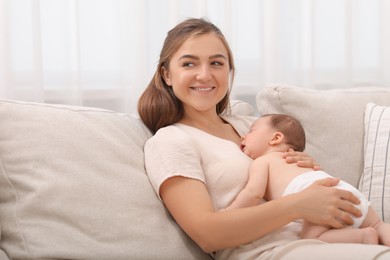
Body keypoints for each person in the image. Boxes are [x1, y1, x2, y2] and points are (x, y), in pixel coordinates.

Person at [137, 18, 373, 259]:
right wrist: (299, 204)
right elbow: (208, 235)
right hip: (269, 252)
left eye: (216, 63)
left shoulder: (254, 126)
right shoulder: (171, 141)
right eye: (189, 64)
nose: (204, 75)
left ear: (228, 71)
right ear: (167, 75)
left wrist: (301, 169)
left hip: (322, 239)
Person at [224, 113, 390, 246]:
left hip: (317, 199)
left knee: (311, 237)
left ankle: (362, 237)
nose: (243, 137)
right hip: (345, 190)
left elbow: (253, 193)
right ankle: (375, 230)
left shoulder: (263, 161)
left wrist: (228, 214)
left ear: (275, 138)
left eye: (251, 131)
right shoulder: (299, 160)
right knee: (378, 225)